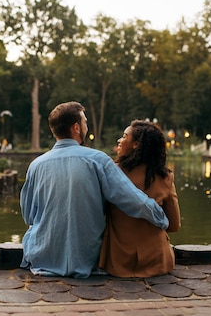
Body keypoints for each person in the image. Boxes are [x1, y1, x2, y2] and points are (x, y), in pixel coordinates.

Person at [20, 102, 169, 278]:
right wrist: (161, 218)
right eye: (85, 122)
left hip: (41, 259)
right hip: (86, 260)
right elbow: (132, 199)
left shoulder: (36, 165)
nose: (86, 126)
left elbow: (28, 215)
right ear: (76, 127)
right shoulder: (98, 160)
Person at [99, 120, 181, 277]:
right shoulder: (165, 177)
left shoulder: (112, 174)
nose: (119, 140)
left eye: (124, 136)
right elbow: (174, 224)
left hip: (118, 262)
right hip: (158, 261)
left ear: (136, 144)